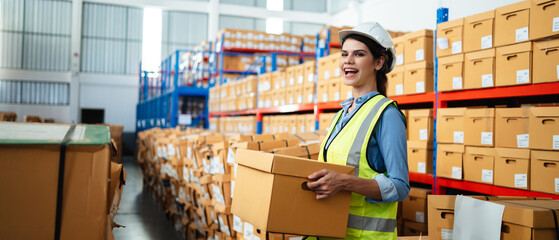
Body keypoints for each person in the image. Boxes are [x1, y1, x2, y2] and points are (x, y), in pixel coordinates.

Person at [306, 22, 410, 240]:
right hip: (328, 233)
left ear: (379, 62)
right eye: (344, 54)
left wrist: (344, 182)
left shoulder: (387, 114)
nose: (348, 61)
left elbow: (400, 187)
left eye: (359, 54)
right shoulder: (341, 114)